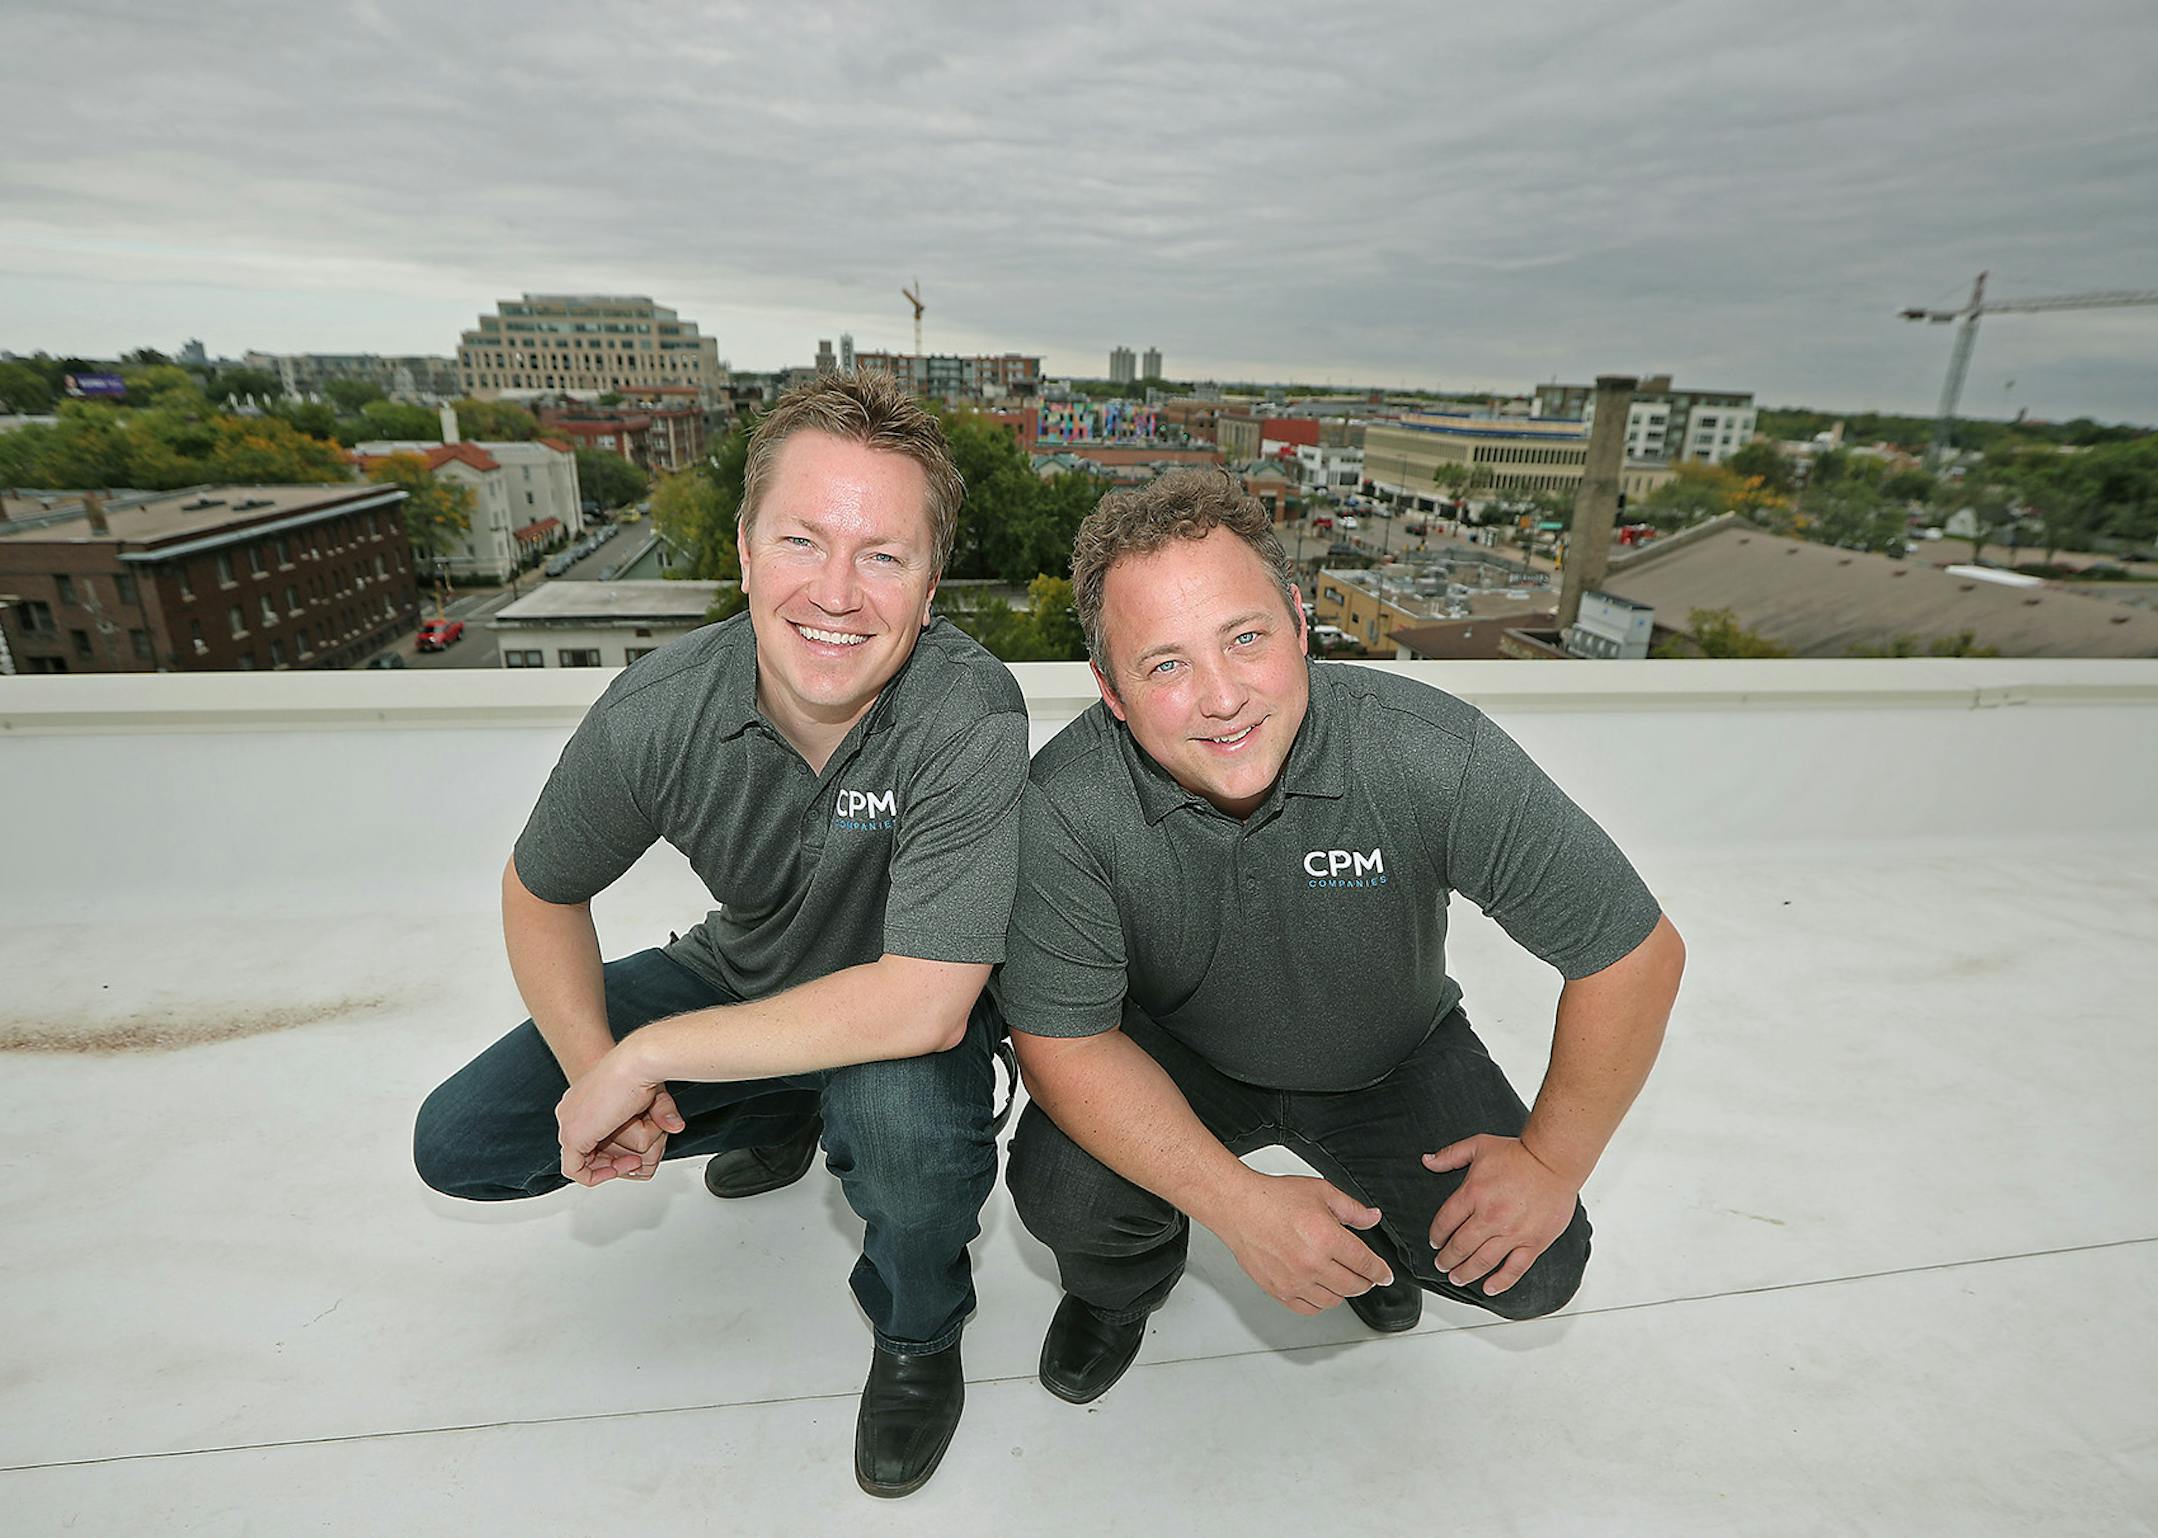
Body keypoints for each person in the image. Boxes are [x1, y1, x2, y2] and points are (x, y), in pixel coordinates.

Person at [412, 371, 1027, 1498]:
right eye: (802, 539)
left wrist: (647, 1059)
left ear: (931, 585)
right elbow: (539, 889)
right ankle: (786, 1098)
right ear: (744, 550)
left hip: (906, 1004)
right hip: (742, 974)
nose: (836, 591)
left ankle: (919, 1329)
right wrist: (598, 1065)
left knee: (906, 1134)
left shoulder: (967, 712)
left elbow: (926, 998)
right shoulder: (660, 711)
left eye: (883, 554)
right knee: (463, 1141)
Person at [995, 468, 1684, 1404]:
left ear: (1298, 618)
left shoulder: (1426, 752)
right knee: (1063, 1189)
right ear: (1110, 689)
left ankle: (1373, 1242)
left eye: (1246, 638)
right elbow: (1061, 1044)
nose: (1222, 696)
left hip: (1388, 1054)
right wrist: (1237, 1207)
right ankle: (1121, 1293)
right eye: (1165, 664)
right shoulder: (1064, 806)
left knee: (1537, 1267)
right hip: (1178, 1057)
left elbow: (1633, 953)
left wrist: (1552, 1161)